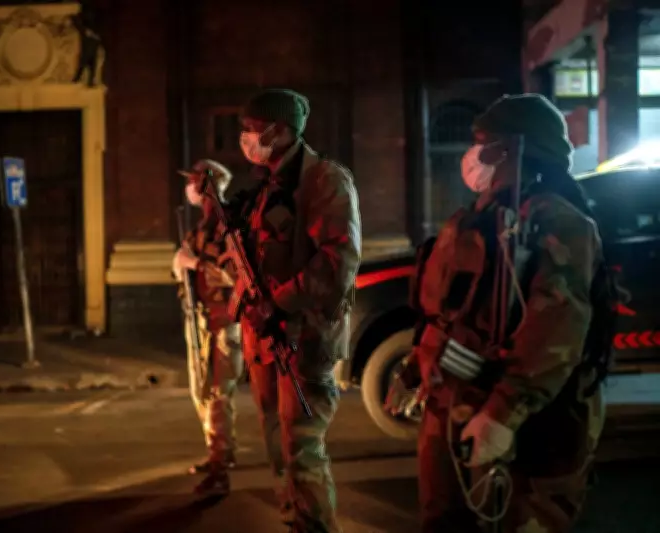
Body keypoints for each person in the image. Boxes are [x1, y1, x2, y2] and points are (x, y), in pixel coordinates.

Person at [392, 94, 618, 533]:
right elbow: (451, 314)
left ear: (514, 148)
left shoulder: (556, 222)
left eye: (485, 143)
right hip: (455, 406)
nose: (474, 154)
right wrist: (415, 368)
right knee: (444, 521)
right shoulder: (477, 218)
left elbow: (555, 334)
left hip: (530, 422)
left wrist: (502, 413)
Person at [229, 88, 362, 532]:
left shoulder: (323, 180)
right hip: (266, 337)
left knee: (302, 448)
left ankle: (316, 527)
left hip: (303, 337)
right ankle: (296, 521)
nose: (247, 138)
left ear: (281, 130)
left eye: (254, 129)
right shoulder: (268, 185)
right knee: (278, 448)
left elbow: (338, 261)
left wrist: (279, 301)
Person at [172, 159, 244, 496]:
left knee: (217, 394)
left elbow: (236, 275)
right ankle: (220, 452)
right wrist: (180, 267)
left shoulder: (229, 226)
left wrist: (195, 263)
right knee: (202, 392)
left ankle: (219, 468)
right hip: (201, 322)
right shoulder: (200, 228)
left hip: (224, 323)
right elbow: (185, 273)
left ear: (204, 186)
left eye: (193, 181)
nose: (188, 188)